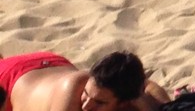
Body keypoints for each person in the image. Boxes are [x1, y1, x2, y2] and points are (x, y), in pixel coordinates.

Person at [0, 50, 167, 111]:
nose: (87, 106)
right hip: (10, 76)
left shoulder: (123, 92)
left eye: (99, 102)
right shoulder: (71, 91)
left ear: (123, 102)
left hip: (49, 66)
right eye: (86, 94)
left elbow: (149, 86)